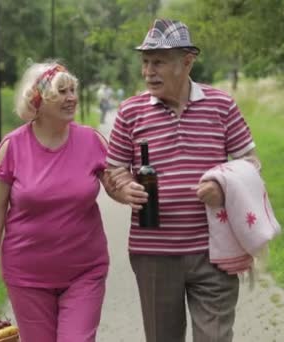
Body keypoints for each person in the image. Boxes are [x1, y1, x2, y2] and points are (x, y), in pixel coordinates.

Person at [105, 19, 262, 342]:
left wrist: (223, 187)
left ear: (187, 61)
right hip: (154, 255)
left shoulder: (221, 105)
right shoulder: (129, 112)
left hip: (214, 251)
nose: (149, 71)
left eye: (159, 62)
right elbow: (112, 172)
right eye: (145, 62)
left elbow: (251, 162)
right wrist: (123, 189)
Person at [0, 62, 114, 342]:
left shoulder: (92, 141)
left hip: (85, 271)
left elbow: (116, 184)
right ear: (38, 99)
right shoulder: (11, 147)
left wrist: (130, 188)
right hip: (27, 277)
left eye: (73, 90)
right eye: (62, 91)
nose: (72, 97)